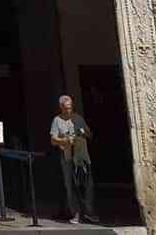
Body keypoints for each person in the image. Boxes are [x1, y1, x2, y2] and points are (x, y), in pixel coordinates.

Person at [50, 94, 98, 224]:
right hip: (67, 157)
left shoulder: (78, 118)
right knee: (70, 186)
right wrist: (63, 140)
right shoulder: (57, 120)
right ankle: (75, 213)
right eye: (66, 108)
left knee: (85, 185)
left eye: (70, 108)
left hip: (81, 157)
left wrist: (83, 132)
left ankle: (88, 213)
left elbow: (89, 134)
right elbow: (53, 140)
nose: (69, 110)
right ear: (61, 107)